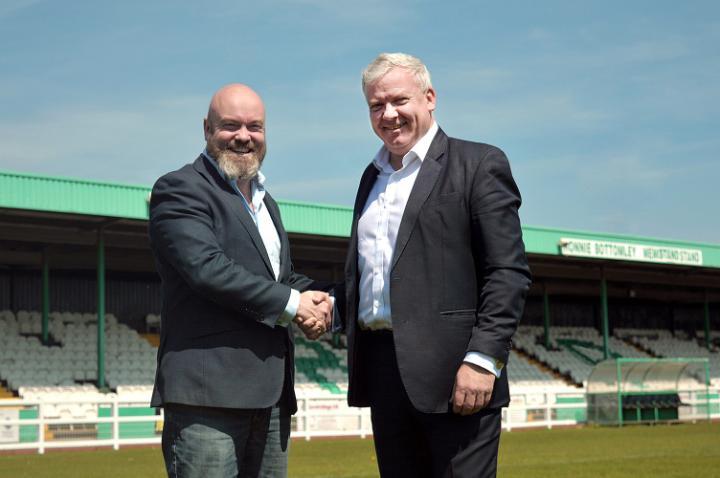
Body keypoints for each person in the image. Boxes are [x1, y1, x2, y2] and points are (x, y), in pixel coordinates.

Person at [339, 53, 532, 477]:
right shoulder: (370, 178)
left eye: (399, 100)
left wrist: (483, 360)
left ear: (429, 98)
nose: (388, 114)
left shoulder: (479, 164)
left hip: (458, 376)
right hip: (384, 374)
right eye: (376, 105)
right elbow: (371, 277)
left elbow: (507, 272)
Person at [148, 83, 332, 478]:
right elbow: (207, 269)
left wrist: (325, 300)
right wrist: (293, 304)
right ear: (206, 129)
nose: (244, 136)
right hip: (207, 399)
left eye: (255, 126)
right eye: (230, 125)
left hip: (270, 398)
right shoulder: (180, 188)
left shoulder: (267, 203)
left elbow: (280, 278)